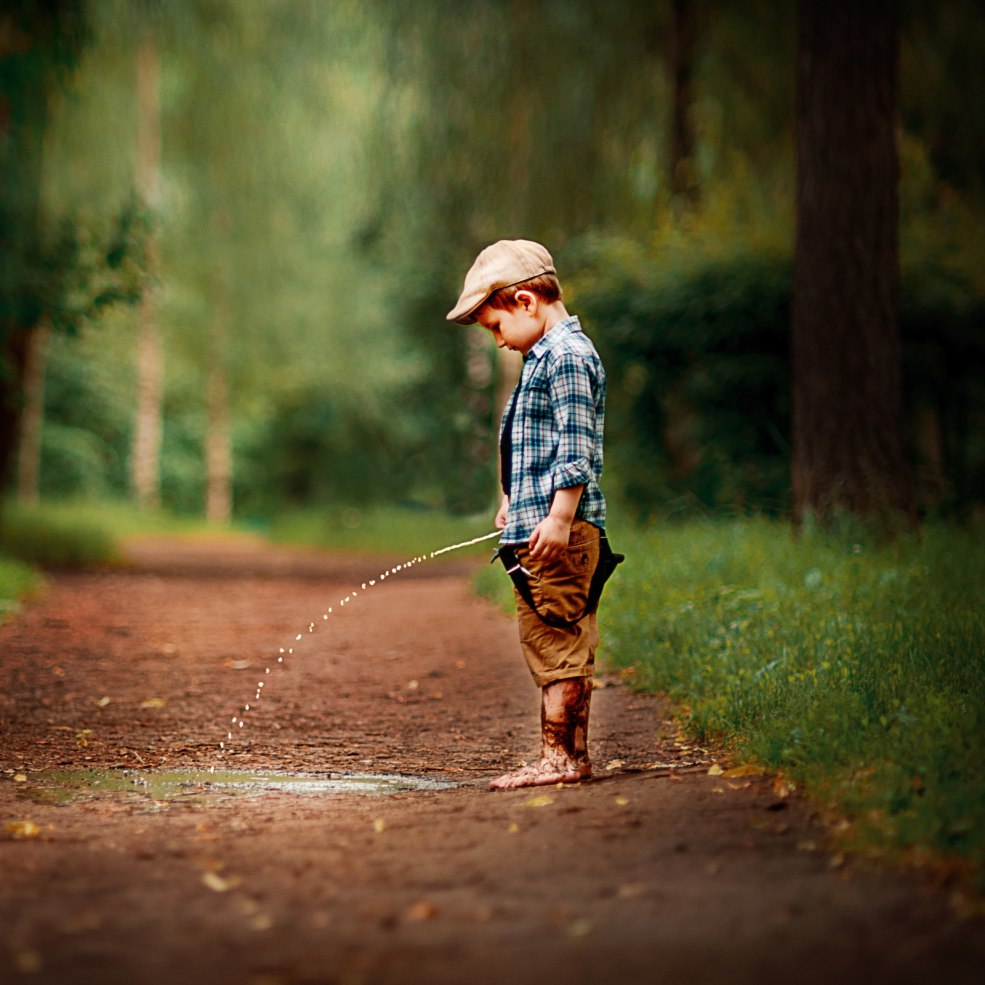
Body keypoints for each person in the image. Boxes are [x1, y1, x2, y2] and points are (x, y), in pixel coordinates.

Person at [447, 239, 608, 790]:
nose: (497, 342)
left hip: (556, 532)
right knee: (553, 640)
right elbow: (532, 443)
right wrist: (514, 500)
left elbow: (576, 447)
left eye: (495, 327)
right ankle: (571, 757)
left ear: (524, 301)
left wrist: (560, 518)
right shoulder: (545, 356)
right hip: (537, 525)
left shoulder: (566, 357)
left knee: (558, 642)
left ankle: (560, 759)